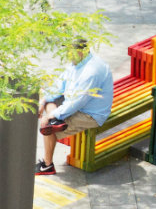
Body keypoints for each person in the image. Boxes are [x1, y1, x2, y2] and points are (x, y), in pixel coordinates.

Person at [35, 39, 113, 175]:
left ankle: (47, 166)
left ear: (80, 52)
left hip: (91, 114)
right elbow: (59, 85)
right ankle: (55, 122)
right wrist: (43, 101)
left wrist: (51, 116)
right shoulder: (77, 63)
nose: (67, 54)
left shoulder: (91, 71)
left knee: (47, 129)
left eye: (70, 51)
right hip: (78, 104)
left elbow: (77, 102)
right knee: (49, 101)